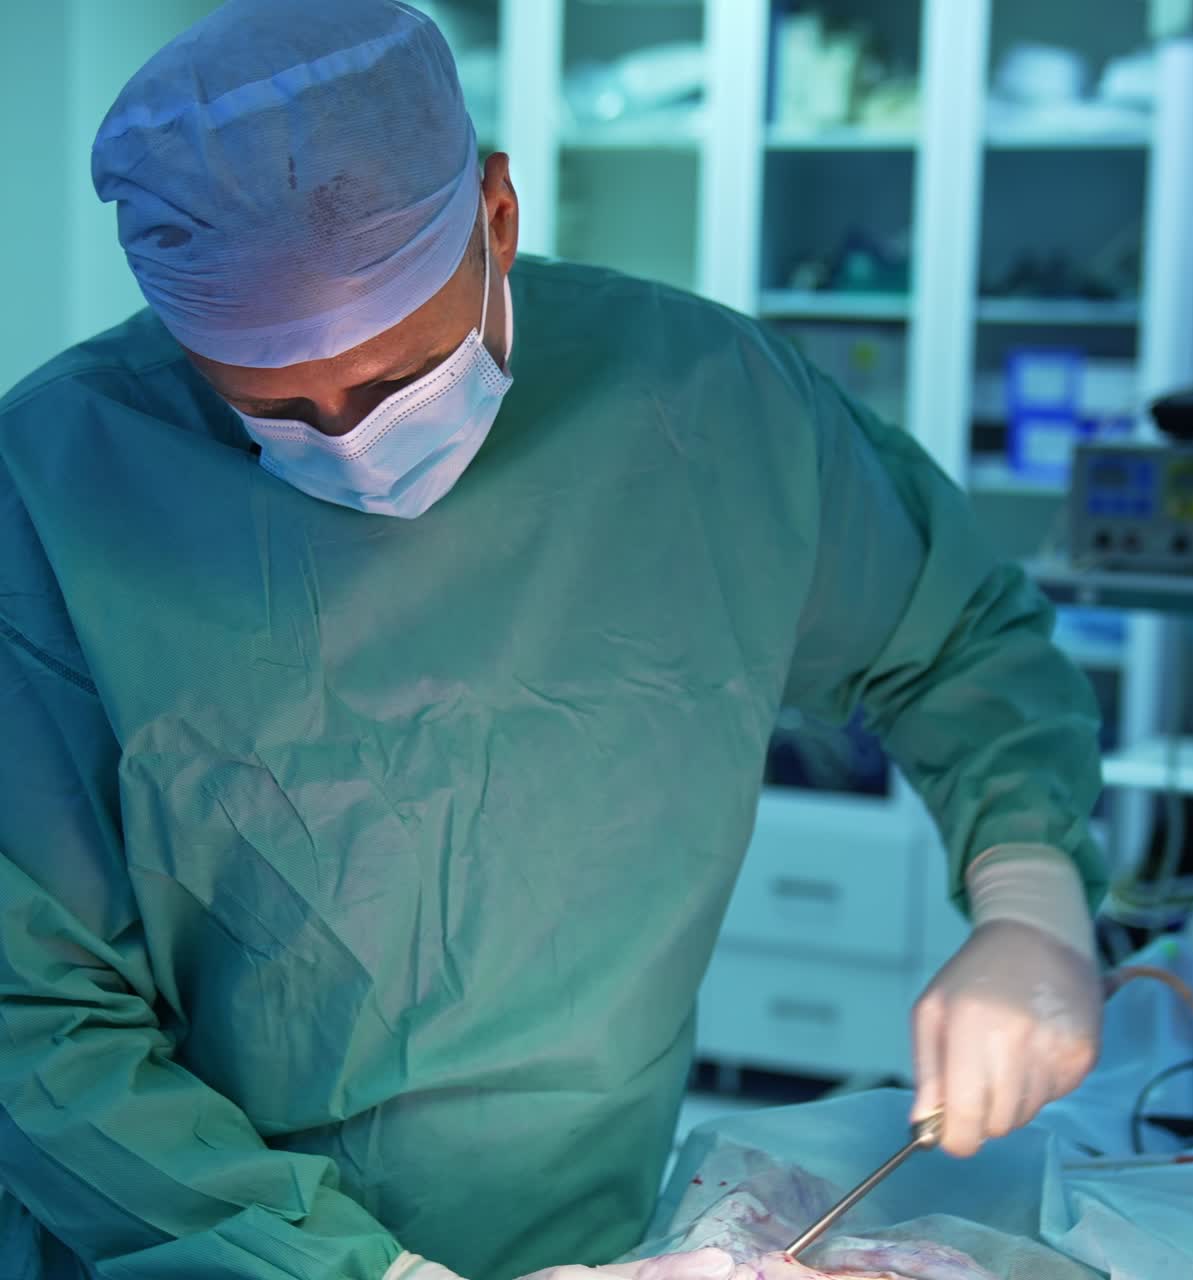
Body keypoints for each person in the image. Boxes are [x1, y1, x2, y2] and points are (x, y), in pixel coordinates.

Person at [0, 3, 1107, 1278]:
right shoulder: (58, 494)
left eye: (391, 379)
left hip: (587, 1228)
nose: (347, 439)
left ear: (498, 216)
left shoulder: (709, 407)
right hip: (196, 1245)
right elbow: (35, 1019)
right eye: (269, 406)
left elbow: (954, 633)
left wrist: (1028, 892)